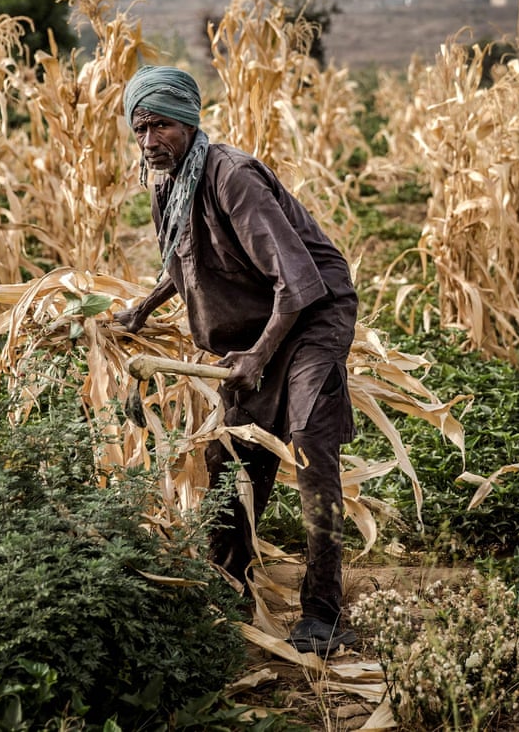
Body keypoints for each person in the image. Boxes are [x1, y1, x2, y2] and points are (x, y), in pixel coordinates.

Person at [112, 64, 358, 656]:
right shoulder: (166, 183)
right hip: (255, 327)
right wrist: (143, 309)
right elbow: (184, 259)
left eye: (161, 126)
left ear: (190, 122)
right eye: (140, 129)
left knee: (305, 442)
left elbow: (297, 283)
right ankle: (229, 590)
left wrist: (258, 355)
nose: (149, 142)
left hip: (311, 316)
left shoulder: (233, 177)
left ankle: (323, 612)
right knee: (231, 455)